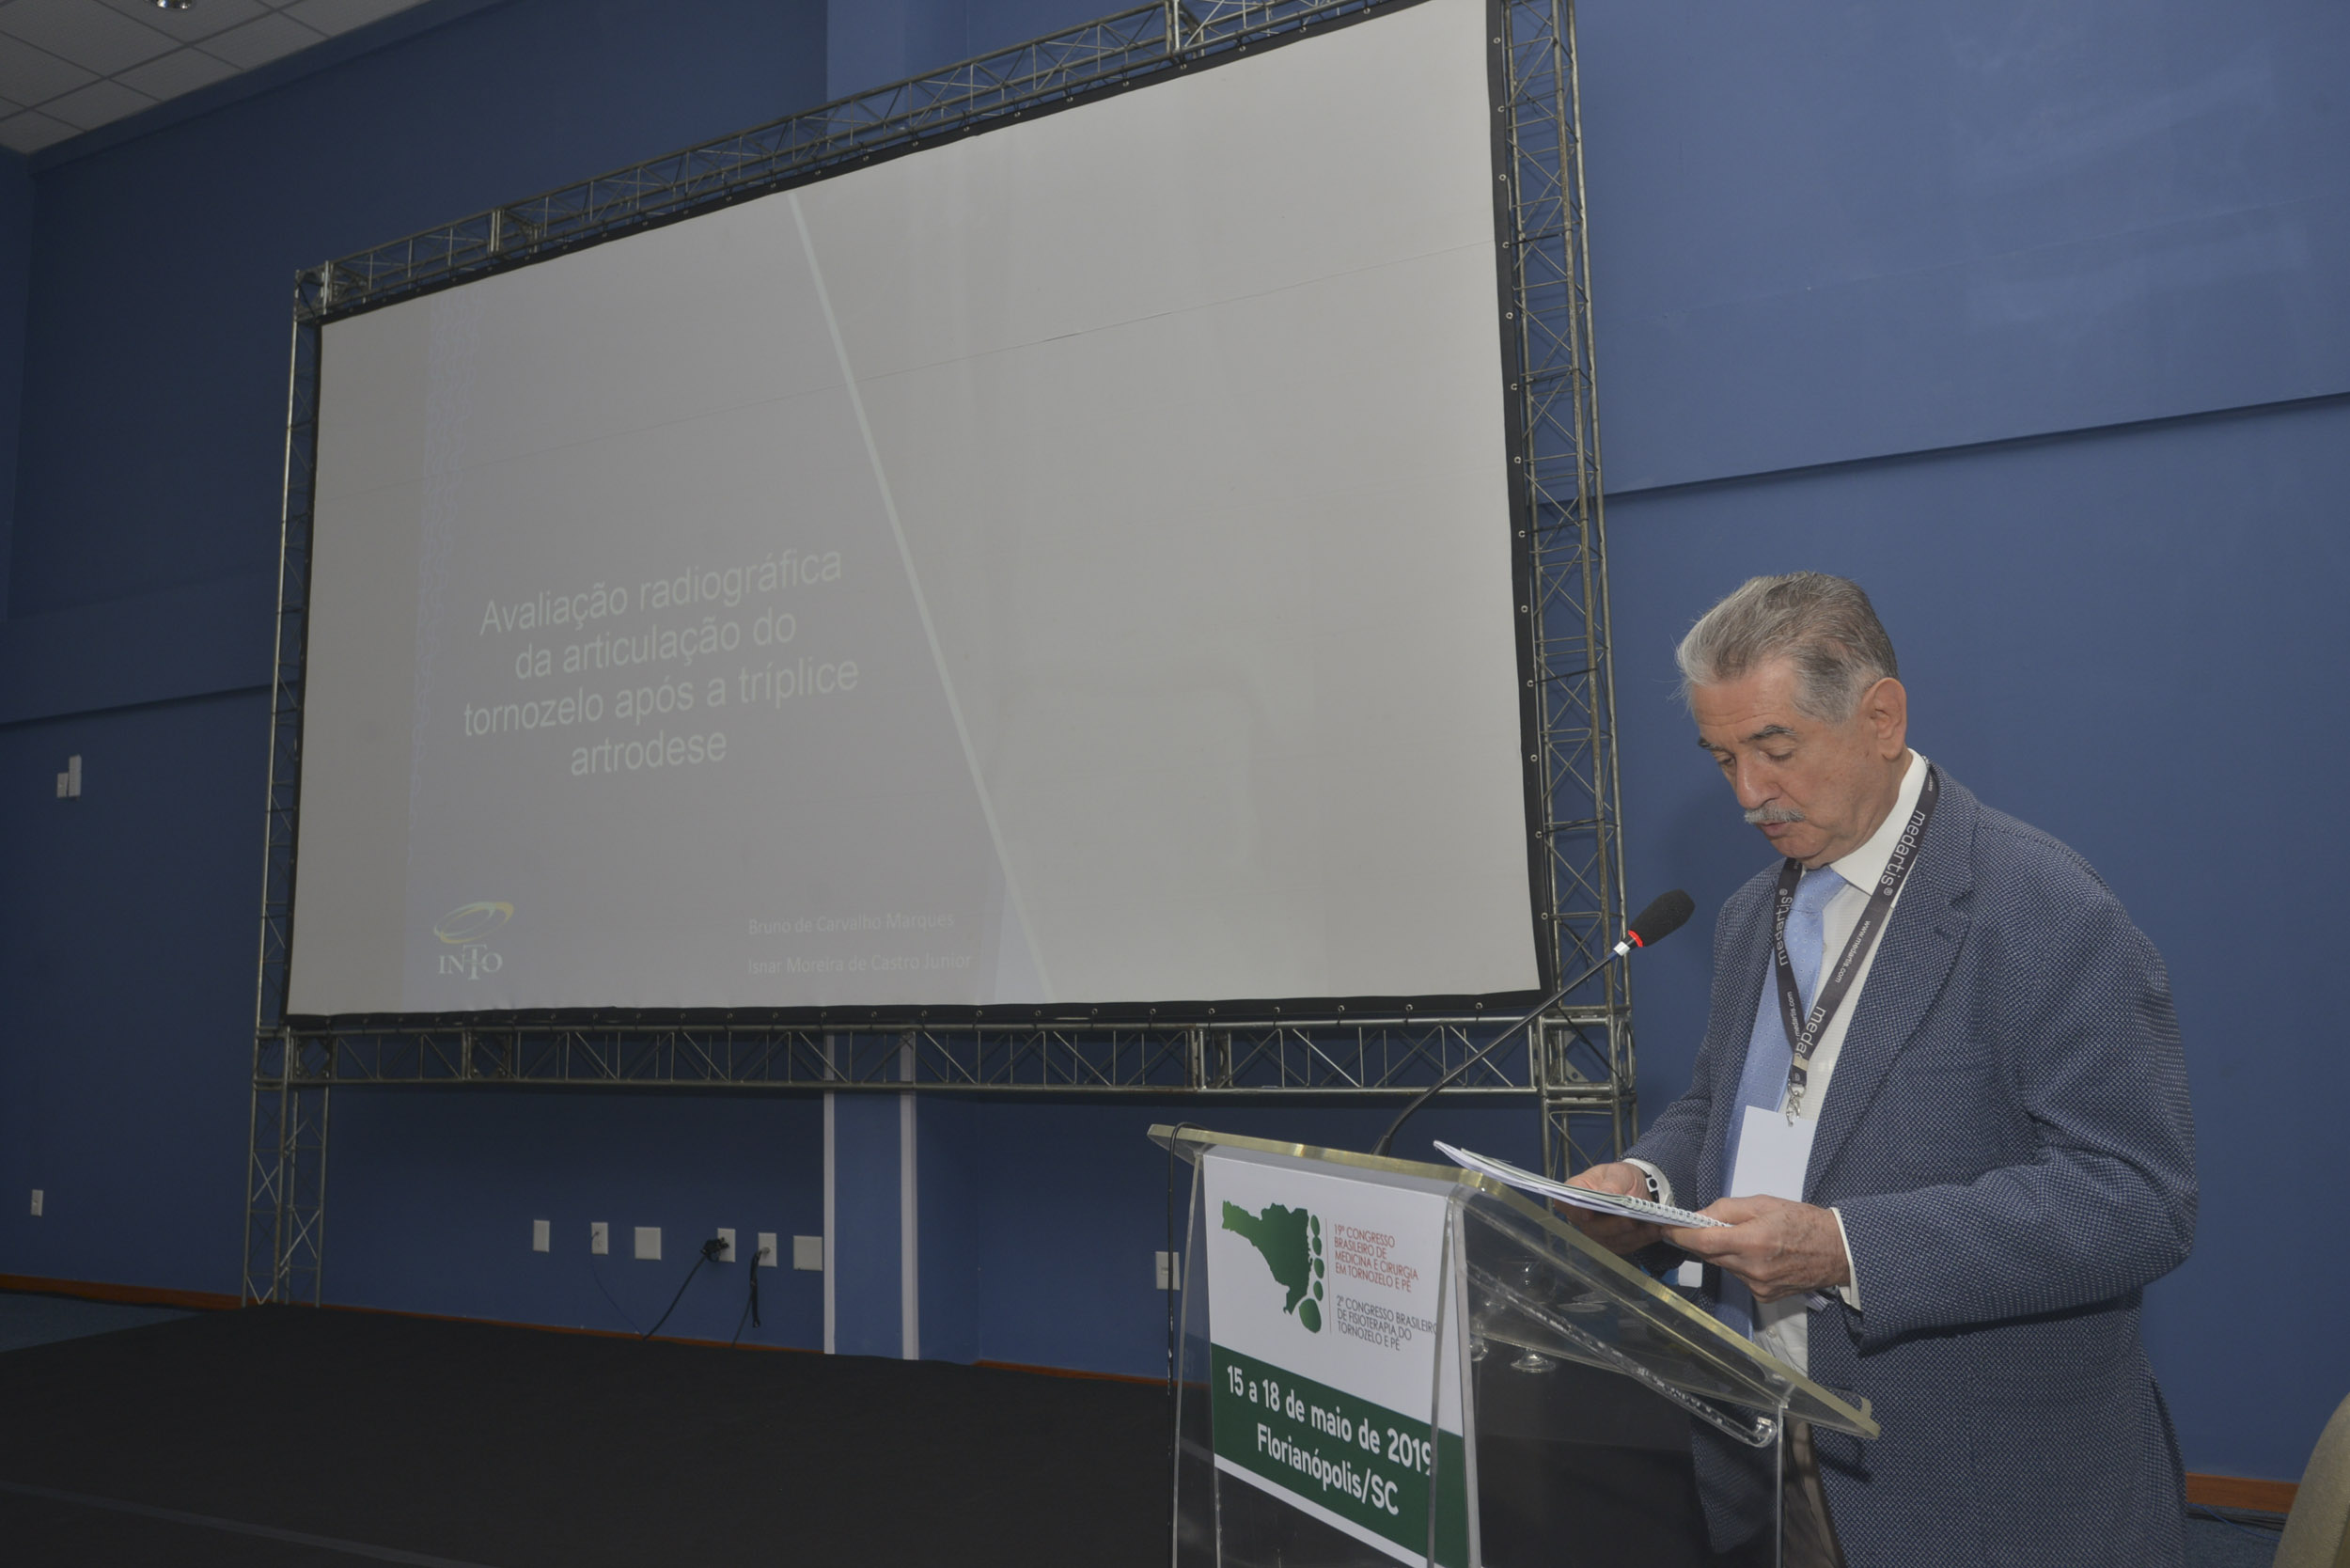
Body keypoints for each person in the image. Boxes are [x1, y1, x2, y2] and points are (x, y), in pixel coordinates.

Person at [1566, 572, 2196, 1567]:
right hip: (1764, 1442)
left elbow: (2135, 1201)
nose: (1747, 794)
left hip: (1978, 1493)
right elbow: (1721, 1109)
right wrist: (1646, 1188)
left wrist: (1845, 1247)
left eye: (1775, 749)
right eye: (1723, 758)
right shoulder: (1750, 915)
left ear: (1881, 717)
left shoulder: (2040, 906)